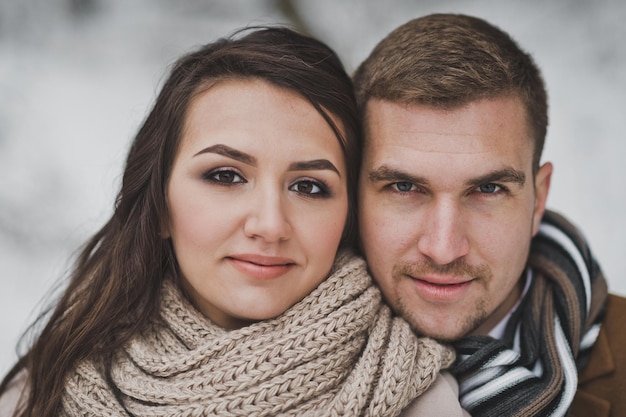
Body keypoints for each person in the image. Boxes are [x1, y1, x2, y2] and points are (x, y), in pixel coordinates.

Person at [0, 26, 460, 417]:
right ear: (159, 205)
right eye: (225, 176)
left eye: (309, 187)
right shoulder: (43, 393)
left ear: (348, 217)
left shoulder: (418, 399)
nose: (269, 224)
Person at [353, 12, 626, 417]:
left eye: (487, 189)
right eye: (405, 187)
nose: (444, 250)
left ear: (538, 199)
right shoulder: (256, 355)